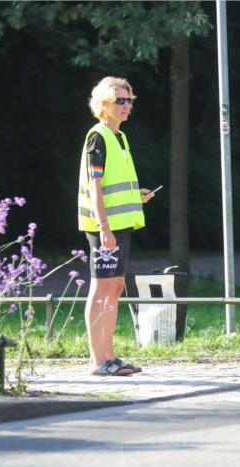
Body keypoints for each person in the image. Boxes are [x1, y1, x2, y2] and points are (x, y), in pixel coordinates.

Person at [78, 76, 156, 376]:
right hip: (104, 227)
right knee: (100, 289)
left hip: (120, 225)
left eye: (128, 100)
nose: (126, 106)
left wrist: (138, 196)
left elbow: (113, 185)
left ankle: (109, 355)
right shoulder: (97, 136)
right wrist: (104, 228)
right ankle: (97, 360)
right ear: (103, 105)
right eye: (119, 101)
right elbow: (95, 187)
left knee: (115, 287)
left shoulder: (120, 137)